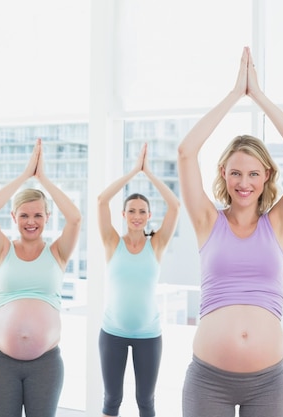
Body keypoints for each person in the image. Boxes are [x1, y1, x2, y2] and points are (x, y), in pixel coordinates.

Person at [177, 46, 283, 417]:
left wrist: (259, 96)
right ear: (223, 172)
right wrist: (234, 94)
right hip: (208, 380)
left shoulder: (280, 223)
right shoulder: (208, 221)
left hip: (268, 383)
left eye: (254, 173)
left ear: (267, 175)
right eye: (236, 172)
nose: (244, 182)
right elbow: (186, 152)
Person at [0, 138, 82, 417]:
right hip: (1, 362)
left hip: (45, 364)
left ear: (48, 217)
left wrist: (43, 180)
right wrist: (25, 176)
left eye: (38, 214)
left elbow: (75, 219)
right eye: (24, 215)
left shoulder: (57, 253)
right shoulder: (1, 250)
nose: (31, 221)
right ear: (13, 216)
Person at [97, 143, 180, 417]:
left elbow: (175, 205)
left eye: (142, 211)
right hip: (112, 334)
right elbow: (101, 201)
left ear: (148, 216)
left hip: (148, 335)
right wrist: (134, 171)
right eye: (131, 211)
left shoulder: (156, 244)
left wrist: (149, 173)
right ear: (123, 215)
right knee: (112, 399)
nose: (136, 216)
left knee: (146, 401)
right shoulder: (112, 243)